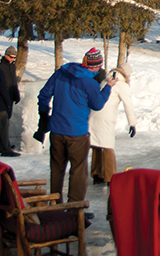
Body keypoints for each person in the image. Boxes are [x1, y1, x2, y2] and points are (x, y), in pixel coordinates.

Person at [37, 47, 112, 204]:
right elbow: (97, 105)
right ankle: (75, 208)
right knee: (78, 170)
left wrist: (44, 114)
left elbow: (44, 95)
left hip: (56, 131)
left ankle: (55, 203)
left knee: (57, 169)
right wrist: (108, 87)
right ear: (96, 66)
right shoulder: (89, 83)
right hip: (77, 133)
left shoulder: (60, 74)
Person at [88, 62, 138, 185]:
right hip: (106, 118)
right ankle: (110, 177)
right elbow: (128, 105)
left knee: (96, 144)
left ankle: (97, 174)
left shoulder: (106, 80)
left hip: (94, 115)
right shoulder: (121, 85)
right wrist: (132, 123)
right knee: (107, 146)